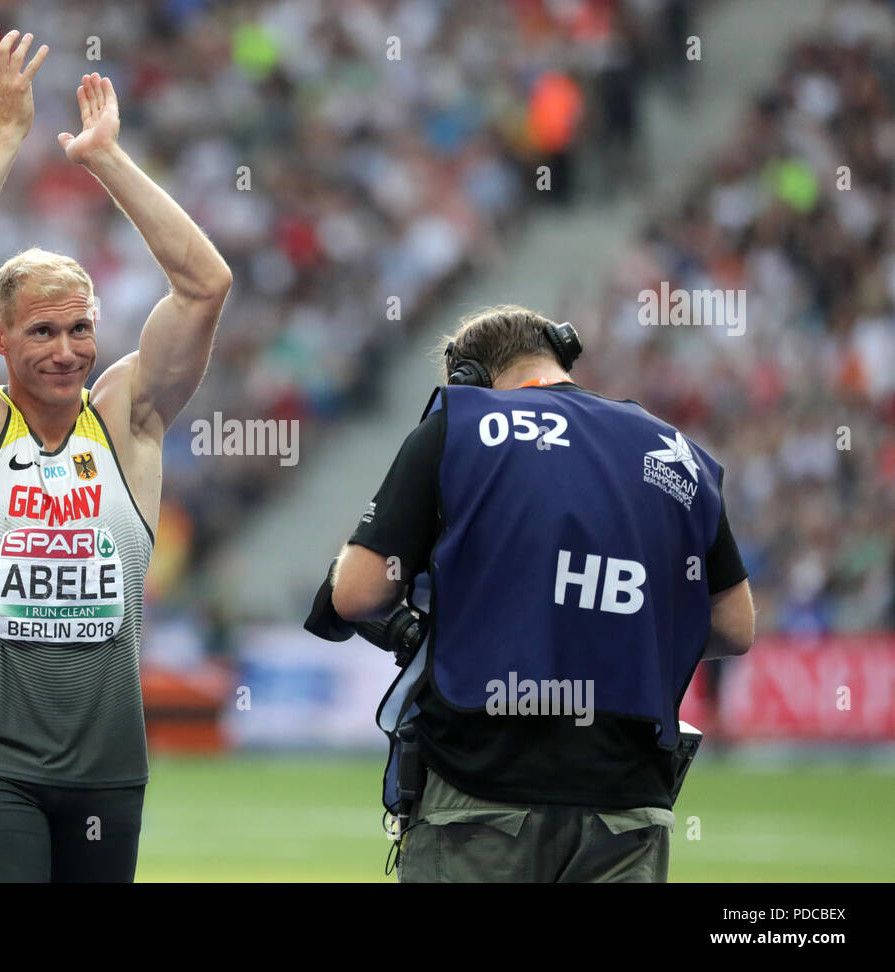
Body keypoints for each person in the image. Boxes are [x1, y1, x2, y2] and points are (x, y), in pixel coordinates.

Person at [0, 29, 231, 882]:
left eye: (80, 327)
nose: (65, 349)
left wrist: (107, 160)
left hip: (110, 773)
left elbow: (206, 285)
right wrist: (5, 137)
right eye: (41, 331)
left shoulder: (129, 423)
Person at [305, 305, 754, 883]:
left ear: (466, 378)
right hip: (629, 800)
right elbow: (734, 628)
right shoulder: (676, 451)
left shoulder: (460, 424)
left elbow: (357, 594)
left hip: (482, 787)